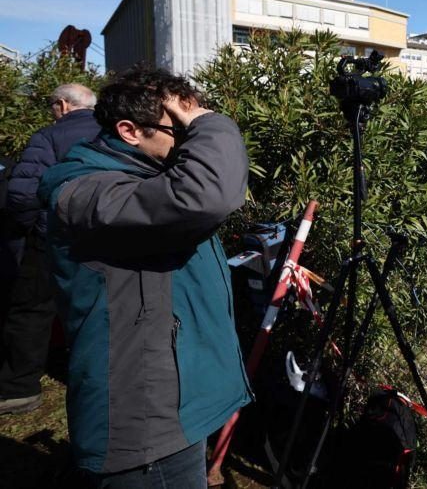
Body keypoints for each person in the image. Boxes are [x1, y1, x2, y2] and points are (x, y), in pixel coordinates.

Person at [38, 67, 251, 485]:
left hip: (172, 400)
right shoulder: (86, 192)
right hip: (143, 416)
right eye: (181, 129)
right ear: (129, 131)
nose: (189, 139)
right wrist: (211, 124)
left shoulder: (140, 178)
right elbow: (206, 194)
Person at [0, 84, 100, 416]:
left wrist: (37, 226)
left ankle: (19, 390)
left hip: (53, 240)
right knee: (96, 312)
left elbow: (22, 195)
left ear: (62, 105)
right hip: (105, 241)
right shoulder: (117, 131)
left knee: (31, 311)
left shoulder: (49, 137)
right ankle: (95, 383)